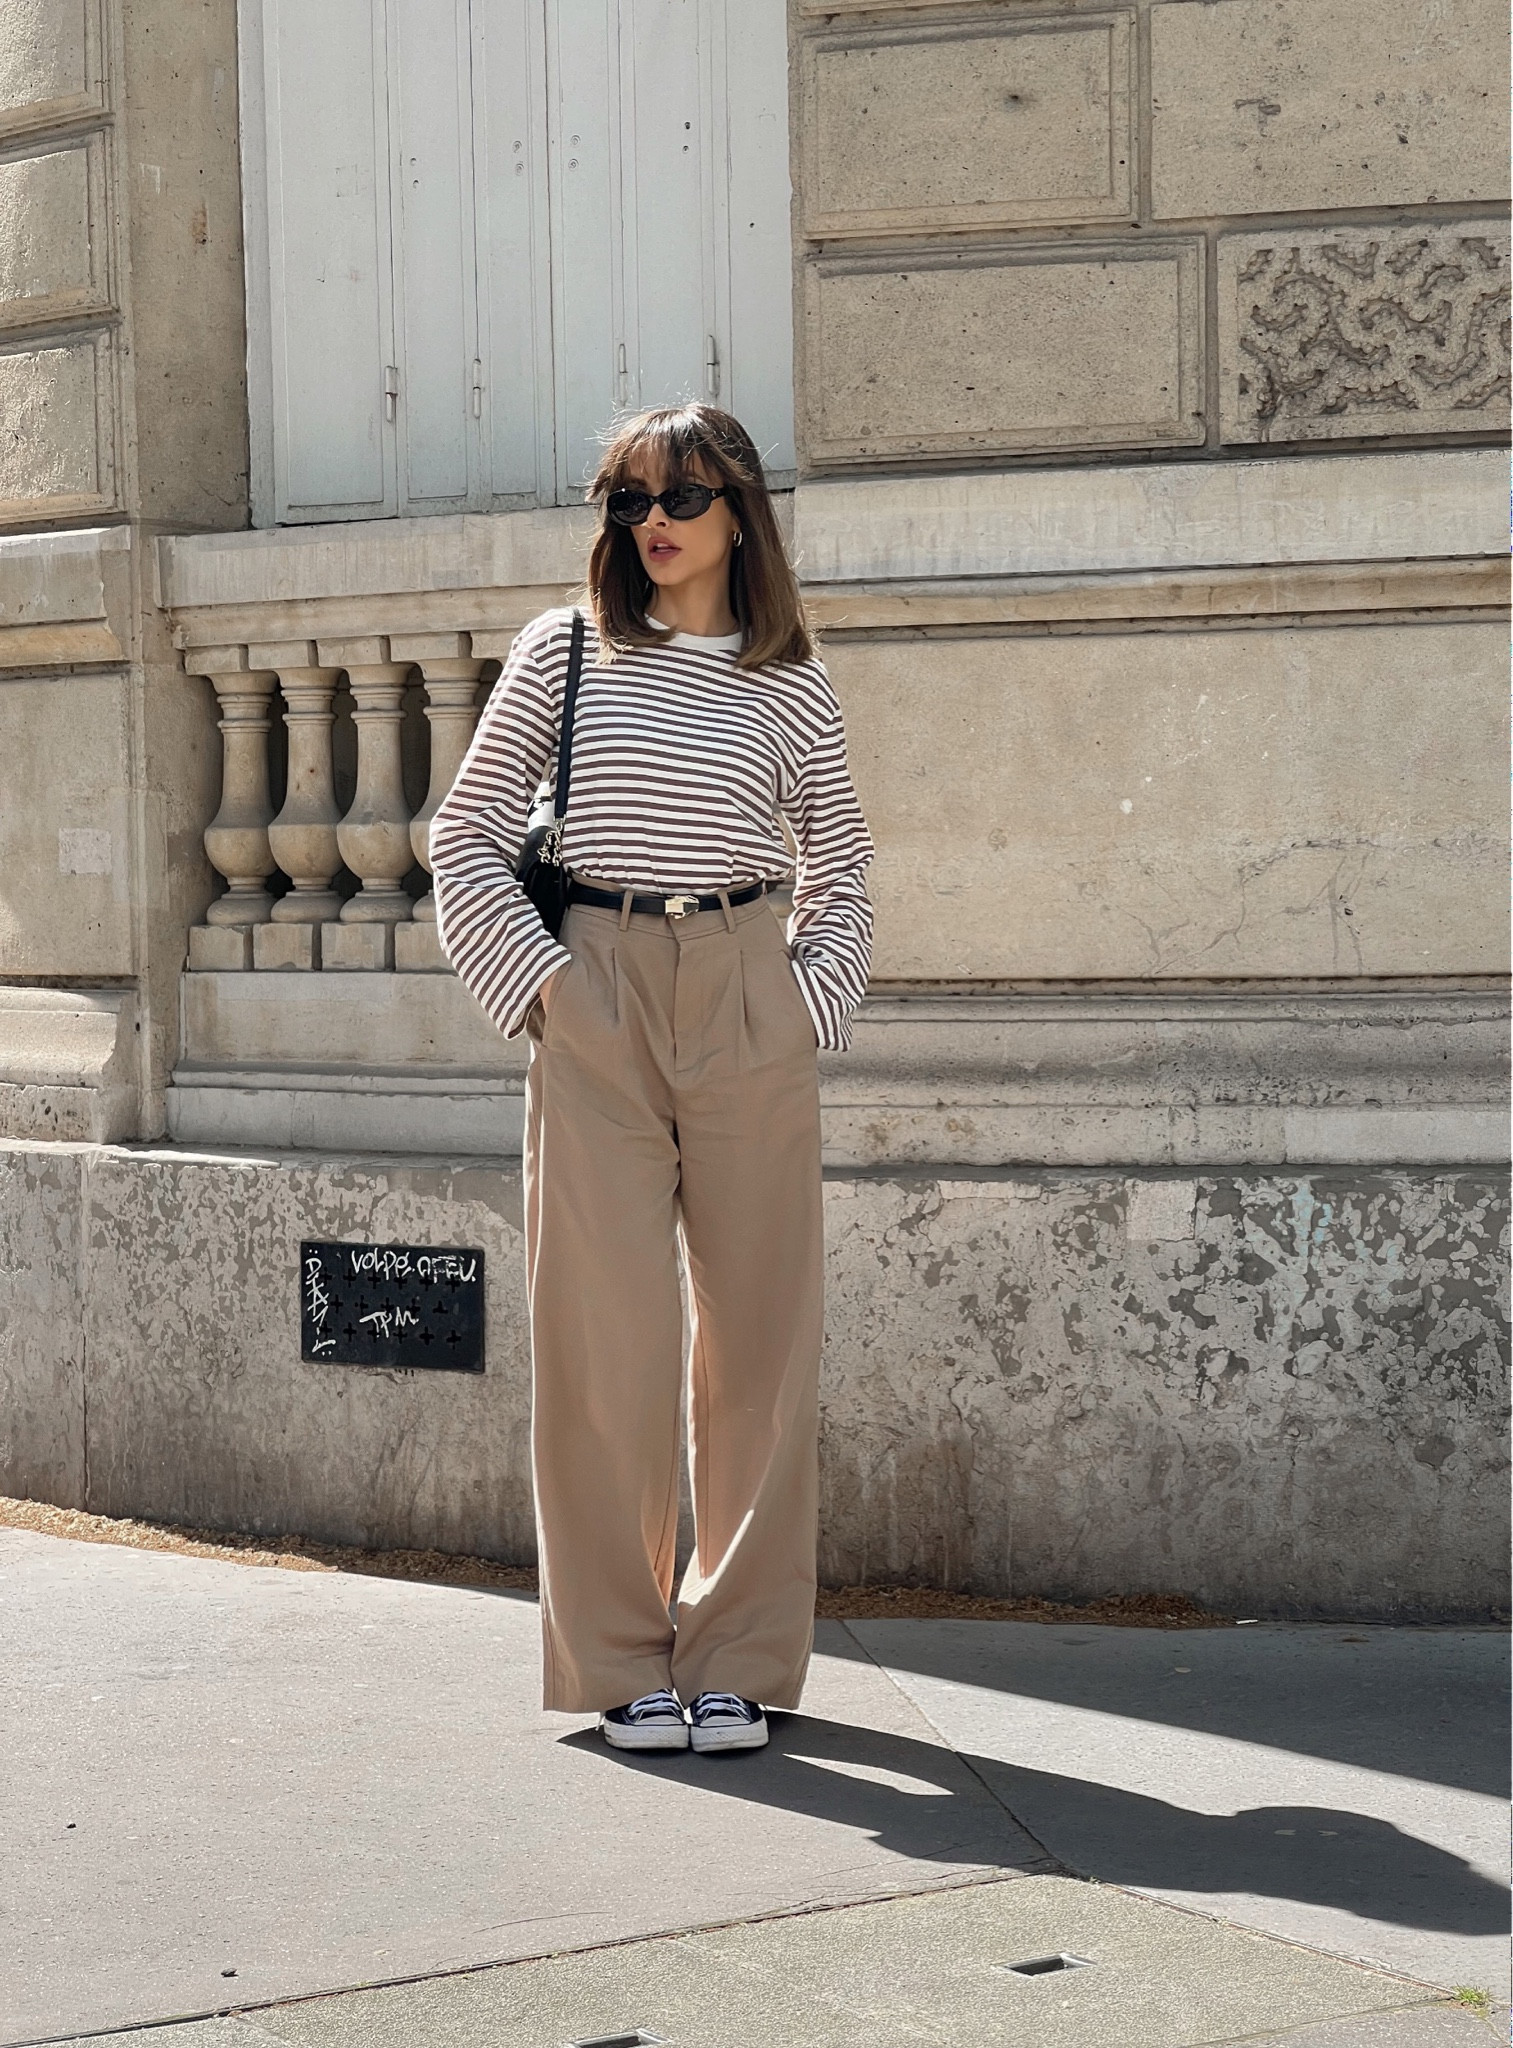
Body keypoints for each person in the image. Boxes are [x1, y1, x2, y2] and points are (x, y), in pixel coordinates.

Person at [430, 404, 874, 1755]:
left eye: (682, 495)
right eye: (628, 500)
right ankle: (621, 1660)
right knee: (602, 1341)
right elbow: (465, 836)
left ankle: (736, 1654)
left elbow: (842, 863)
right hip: (598, 990)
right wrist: (547, 993)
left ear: (741, 509)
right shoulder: (563, 650)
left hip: (746, 991)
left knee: (760, 1343)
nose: (654, 522)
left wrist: (805, 1007)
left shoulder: (790, 680)